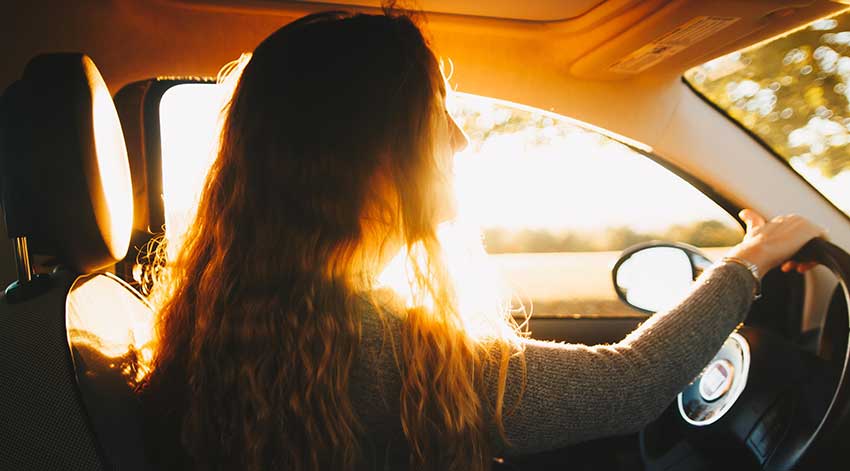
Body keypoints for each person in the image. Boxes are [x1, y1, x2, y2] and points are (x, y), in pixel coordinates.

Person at [137, 10, 826, 471]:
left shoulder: (225, 321)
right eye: (435, 119)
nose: (460, 142)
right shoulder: (380, 352)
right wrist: (748, 259)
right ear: (366, 157)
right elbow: (632, 383)